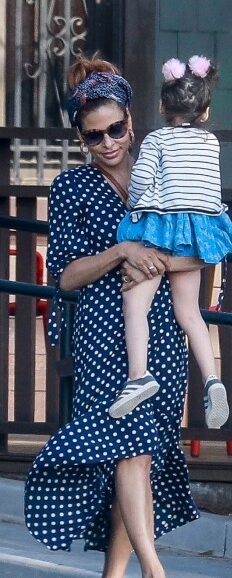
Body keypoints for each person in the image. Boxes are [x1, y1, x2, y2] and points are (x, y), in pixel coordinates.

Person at [24, 53, 202, 578]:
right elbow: (65, 275)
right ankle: (153, 568)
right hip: (103, 334)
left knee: (143, 455)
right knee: (130, 449)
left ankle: (115, 574)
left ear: (131, 118)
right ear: (81, 138)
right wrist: (121, 252)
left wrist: (163, 261)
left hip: (164, 328)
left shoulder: (164, 170)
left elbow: (205, 246)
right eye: (94, 136)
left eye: (116, 129)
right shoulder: (72, 188)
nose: (108, 144)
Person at [109, 55, 232, 427]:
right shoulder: (211, 143)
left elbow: (140, 183)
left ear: (162, 106)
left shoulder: (156, 139)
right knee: (190, 313)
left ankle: (138, 375)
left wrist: (136, 206)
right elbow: (209, 192)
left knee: (136, 305)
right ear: (206, 110)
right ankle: (212, 378)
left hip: (160, 228)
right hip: (198, 228)